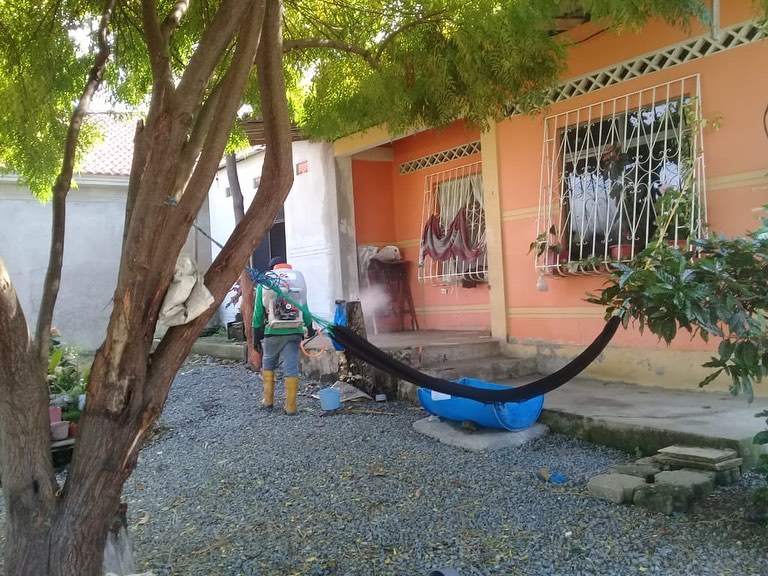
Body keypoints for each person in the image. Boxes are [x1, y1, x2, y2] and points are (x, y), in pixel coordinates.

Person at [252, 259, 315, 414]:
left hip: (273, 331)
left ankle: (268, 401)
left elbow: (258, 311)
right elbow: (304, 307)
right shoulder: (297, 281)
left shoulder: (266, 281)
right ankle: (291, 406)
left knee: (268, 363)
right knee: (291, 366)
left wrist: (256, 334)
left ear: (272, 268)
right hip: (295, 330)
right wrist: (309, 327)